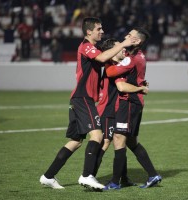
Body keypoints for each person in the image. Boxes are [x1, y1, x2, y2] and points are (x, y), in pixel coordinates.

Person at [39, 17, 138, 191]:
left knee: (75, 141)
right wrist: (124, 43)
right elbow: (101, 58)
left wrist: (130, 46)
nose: (102, 31)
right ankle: (86, 176)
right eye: (99, 29)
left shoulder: (94, 48)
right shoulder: (86, 46)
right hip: (83, 97)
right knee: (97, 136)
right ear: (89, 31)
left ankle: (48, 176)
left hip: (79, 99)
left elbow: (108, 53)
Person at [103, 27, 162, 190]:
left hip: (128, 102)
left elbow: (111, 72)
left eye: (129, 35)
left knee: (118, 139)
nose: (125, 37)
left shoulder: (132, 58)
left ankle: (115, 182)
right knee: (131, 141)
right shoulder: (138, 56)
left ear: (137, 41)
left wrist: (106, 60)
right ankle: (152, 174)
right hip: (135, 102)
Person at [94, 39, 149, 186]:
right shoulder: (111, 66)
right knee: (106, 142)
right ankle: (89, 176)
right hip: (107, 109)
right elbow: (121, 87)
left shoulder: (117, 65)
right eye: (119, 47)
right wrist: (140, 88)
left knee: (120, 141)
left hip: (115, 109)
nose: (123, 49)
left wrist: (139, 83)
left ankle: (123, 178)